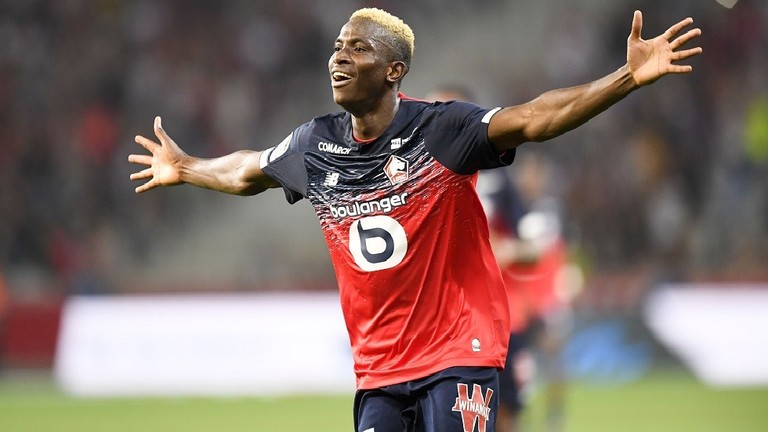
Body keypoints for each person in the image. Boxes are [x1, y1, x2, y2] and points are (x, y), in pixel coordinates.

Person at [129, 8, 701, 432]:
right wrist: (186, 166)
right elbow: (246, 171)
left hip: (458, 354)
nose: (339, 57)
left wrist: (625, 78)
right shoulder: (314, 144)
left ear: (393, 70)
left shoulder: (442, 130)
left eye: (357, 49)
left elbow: (533, 118)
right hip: (378, 368)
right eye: (337, 46)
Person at [425, 85, 537, 432]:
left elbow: (533, 249)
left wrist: (508, 251)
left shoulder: (498, 178)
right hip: (430, 323)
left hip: (495, 319)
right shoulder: (410, 177)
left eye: (446, 111)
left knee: (505, 416)